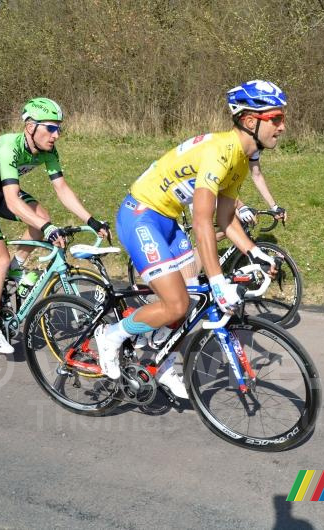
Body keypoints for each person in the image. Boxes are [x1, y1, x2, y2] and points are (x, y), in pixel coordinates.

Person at [96, 80, 287, 398]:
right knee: (176, 304)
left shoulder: (241, 159)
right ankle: (111, 336)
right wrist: (217, 280)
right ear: (251, 121)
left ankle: (164, 358)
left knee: (193, 300)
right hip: (140, 216)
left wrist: (255, 252)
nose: (282, 127)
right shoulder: (220, 152)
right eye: (276, 118)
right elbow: (201, 223)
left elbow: (224, 220)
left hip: (166, 221)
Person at [0, 97, 109, 354]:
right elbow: (13, 201)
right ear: (30, 126)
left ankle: (17, 265)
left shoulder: (48, 151)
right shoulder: (9, 146)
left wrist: (90, 220)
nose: (56, 135)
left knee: (41, 214)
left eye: (59, 128)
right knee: (0, 260)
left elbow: (61, 188)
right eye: (50, 128)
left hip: (1, 188)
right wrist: (48, 228)